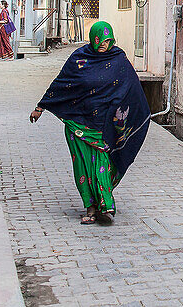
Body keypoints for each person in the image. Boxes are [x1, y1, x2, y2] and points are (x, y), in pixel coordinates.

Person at [29, 21, 150, 225]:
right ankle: (91, 207)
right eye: (99, 41)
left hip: (104, 125)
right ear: (93, 39)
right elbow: (62, 83)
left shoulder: (119, 60)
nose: (103, 44)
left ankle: (105, 205)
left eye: (107, 41)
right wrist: (41, 107)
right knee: (83, 167)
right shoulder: (79, 58)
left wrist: (136, 113)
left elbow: (131, 88)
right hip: (78, 123)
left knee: (101, 164)